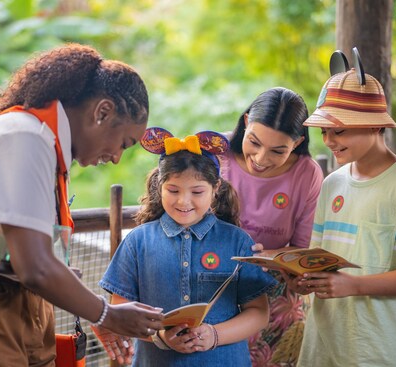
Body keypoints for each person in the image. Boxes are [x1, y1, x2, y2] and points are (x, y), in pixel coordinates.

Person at [0, 44, 164, 367]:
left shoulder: (47, 148)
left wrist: (86, 306)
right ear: (102, 112)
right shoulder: (24, 137)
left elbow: (3, 254)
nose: (117, 157)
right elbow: (34, 266)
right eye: (123, 143)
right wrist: (107, 314)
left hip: (3, 307)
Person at [291, 67, 396, 367]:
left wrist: (356, 285)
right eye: (324, 131)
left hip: (380, 351)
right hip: (322, 346)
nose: (329, 140)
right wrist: (303, 279)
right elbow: (317, 260)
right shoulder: (331, 184)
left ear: (375, 125)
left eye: (339, 130)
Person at [99, 127, 278, 366]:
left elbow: (258, 313)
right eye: (173, 190)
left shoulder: (238, 242)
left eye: (197, 191)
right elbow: (120, 311)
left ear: (215, 189)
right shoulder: (137, 241)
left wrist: (214, 335)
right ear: (159, 187)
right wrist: (161, 337)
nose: (184, 201)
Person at [220, 87, 323, 366]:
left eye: (278, 151)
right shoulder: (219, 156)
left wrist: (267, 258)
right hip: (216, 286)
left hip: (277, 297)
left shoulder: (307, 173)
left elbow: (301, 248)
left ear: (298, 142)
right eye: (254, 142)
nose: (261, 158)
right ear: (245, 123)